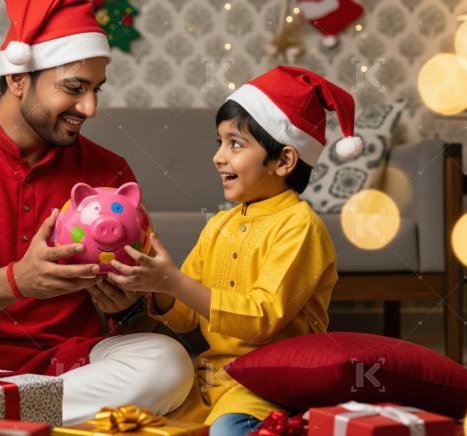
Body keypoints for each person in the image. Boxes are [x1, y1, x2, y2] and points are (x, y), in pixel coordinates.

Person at [0, 0, 192, 425]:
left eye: (97, 89)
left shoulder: (109, 172)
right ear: (18, 78)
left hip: (68, 366)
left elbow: (128, 313)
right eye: (75, 88)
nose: (90, 108)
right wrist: (16, 282)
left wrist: (127, 302)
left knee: (168, 363)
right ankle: (9, 413)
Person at [107, 66, 363, 435]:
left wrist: (174, 282)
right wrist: (156, 284)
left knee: (226, 431)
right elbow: (184, 318)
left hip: (269, 386)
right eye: (220, 142)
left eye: (235, 144)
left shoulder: (300, 226)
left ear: (284, 161)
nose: (219, 157)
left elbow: (262, 319)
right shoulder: (219, 226)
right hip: (211, 382)